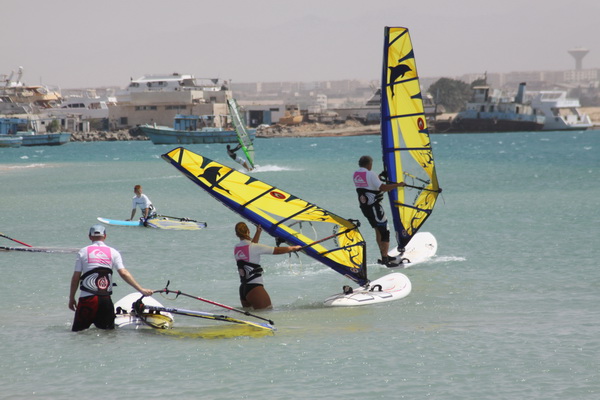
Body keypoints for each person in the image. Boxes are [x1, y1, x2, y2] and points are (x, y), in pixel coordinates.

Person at [68, 225, 153, 332]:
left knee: (78, 334)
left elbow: (76, 277)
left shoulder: (83, 252)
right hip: (105, 300)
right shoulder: (114, 252)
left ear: (90, 236)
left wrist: (71, 298)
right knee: (108, 335)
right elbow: (124, 273)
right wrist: (141, 290)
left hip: (87, 300)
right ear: (105, 236)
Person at [233, 222, 301, 310]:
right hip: (254, 288)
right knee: (267, 313)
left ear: (236, 234)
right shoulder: (254, 247)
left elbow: (252, 249)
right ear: (248, 231)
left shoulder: (236, 248)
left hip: (243, 290)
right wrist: (292, 248)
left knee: (252, 318)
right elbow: (277, 250)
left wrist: (258, 232)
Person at [353, 155, 405, 267]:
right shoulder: (370, 173)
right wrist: (398, 185)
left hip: (365, 208)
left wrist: (380, 176)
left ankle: (384, 256)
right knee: (384, 230)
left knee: (378, 230)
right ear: (369, 164)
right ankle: (385, 259)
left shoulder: (356, 174)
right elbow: (382, 188)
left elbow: (369, 186)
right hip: (374, 207)